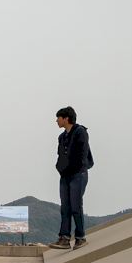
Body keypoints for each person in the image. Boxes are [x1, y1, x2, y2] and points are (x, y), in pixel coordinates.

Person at [51, 106, 93, 250]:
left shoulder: (80, 132)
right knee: (65, 208)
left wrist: (74, 169)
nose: (56, 121)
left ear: (66, 118)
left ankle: (80, 238)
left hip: (78, 174)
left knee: (76, 206)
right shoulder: (62, 137)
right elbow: (60, 155)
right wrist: (60, 169)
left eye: (58, 118)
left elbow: (82, 154)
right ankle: (64, 238)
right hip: (65, 176)